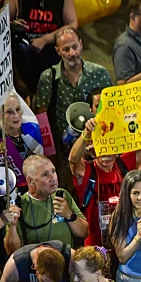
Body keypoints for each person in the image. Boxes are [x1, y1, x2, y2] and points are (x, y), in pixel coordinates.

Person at [33, 27, 113, 179]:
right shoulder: (49, 77)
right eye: (66, 49)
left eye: (75, 47)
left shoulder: (99, 73)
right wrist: (49, 154)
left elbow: (113, 109)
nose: (72, 53)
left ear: (81, 44)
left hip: (97, 150)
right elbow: (41, 117)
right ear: (58, 51)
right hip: (63, 150)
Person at [69, 116, 141, 247]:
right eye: (102, 151)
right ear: (94, 150)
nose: (106, 157)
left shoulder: (123, 165)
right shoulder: (88, 170)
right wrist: (86, 133)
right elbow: (73, 159)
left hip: (125, 241)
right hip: (95, 244)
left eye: (110, 150)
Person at [6, 0, 79, 92]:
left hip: (51, 52)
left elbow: (72, 24)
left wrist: (45, 39)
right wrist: (13, 25)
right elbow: (2, 21)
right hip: (24, 53)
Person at [5, 155, 88, 254]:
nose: (53, 178)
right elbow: (12, 251)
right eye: (45, 174)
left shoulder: (62, 195)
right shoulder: (20, 206)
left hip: (67, 262)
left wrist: (69, 215)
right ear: (30, 180)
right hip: (37, 266)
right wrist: (13, 226)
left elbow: (84, 232)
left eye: (53, 171)